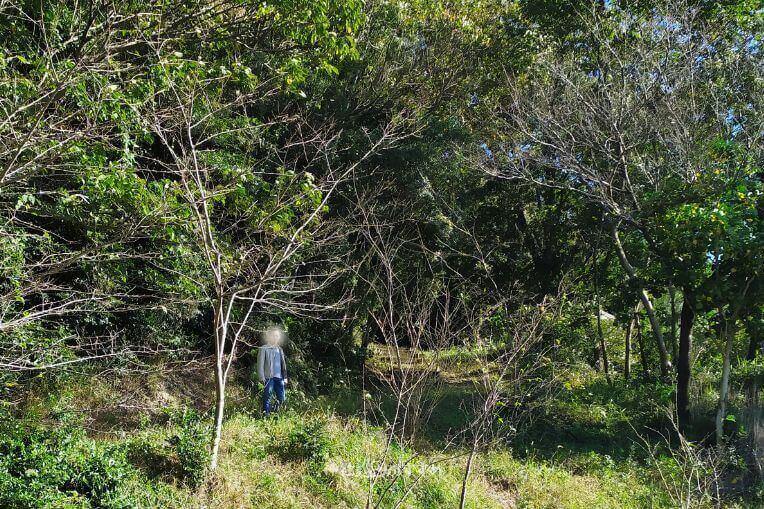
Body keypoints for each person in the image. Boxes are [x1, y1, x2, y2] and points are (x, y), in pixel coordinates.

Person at [257, 325, 288, 415]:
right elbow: (260, 364)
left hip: (279, 378)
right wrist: (261, 377)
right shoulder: (264, 348)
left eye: (277, 336)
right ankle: (265, 415)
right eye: (273, 335)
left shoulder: (280, 349)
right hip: (268, 378)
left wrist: (285, 377)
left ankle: (275, 412)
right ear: (269, 336)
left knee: (282, 398)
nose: (275, 338)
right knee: (267, 397)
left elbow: (283, 365)